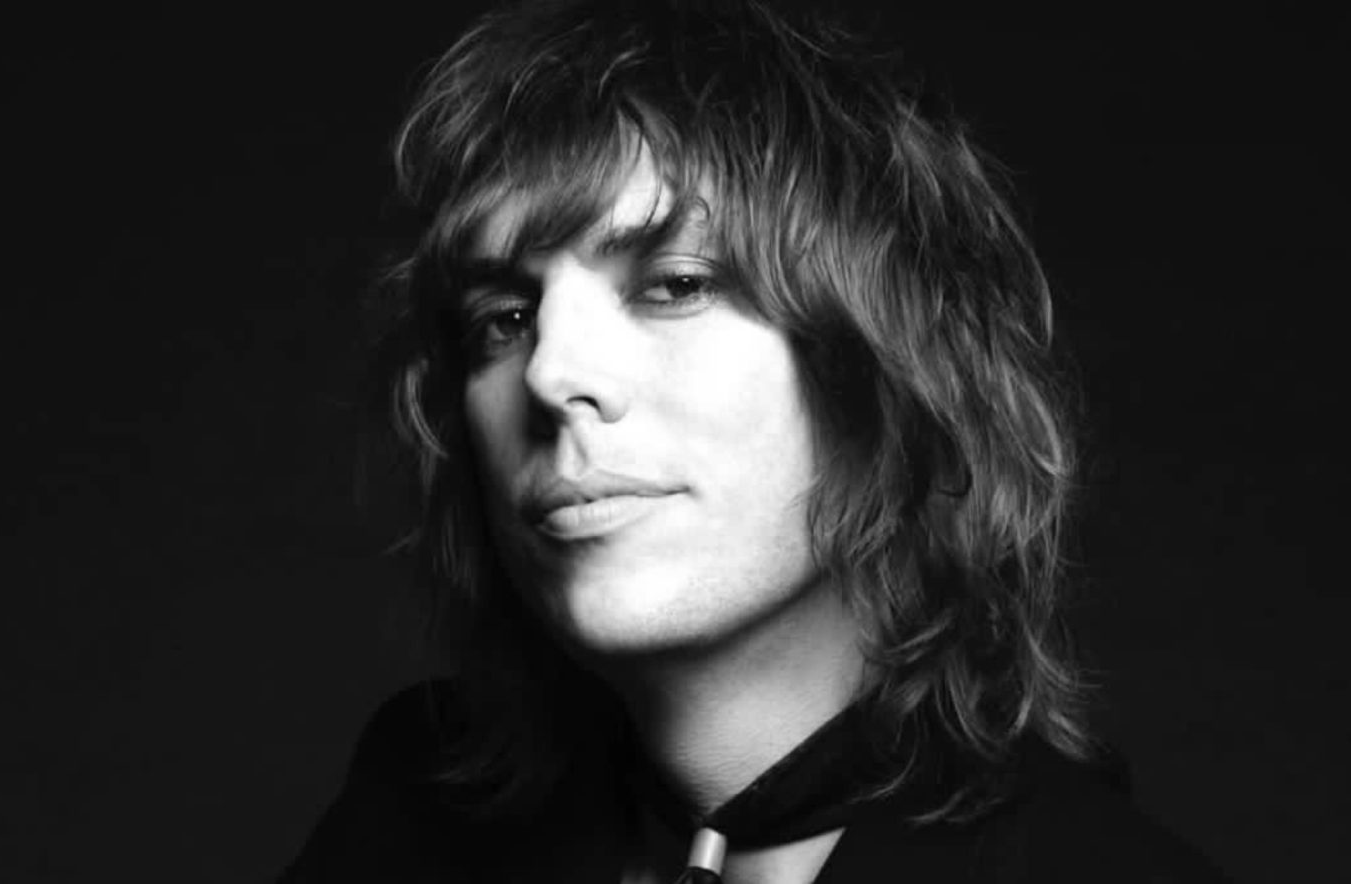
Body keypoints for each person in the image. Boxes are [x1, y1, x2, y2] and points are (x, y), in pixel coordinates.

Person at [279, 1, 1229, 881]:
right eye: (505, 317)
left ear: (892, 362)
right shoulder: (406, 820)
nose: (550, 373)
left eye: (676, 284)